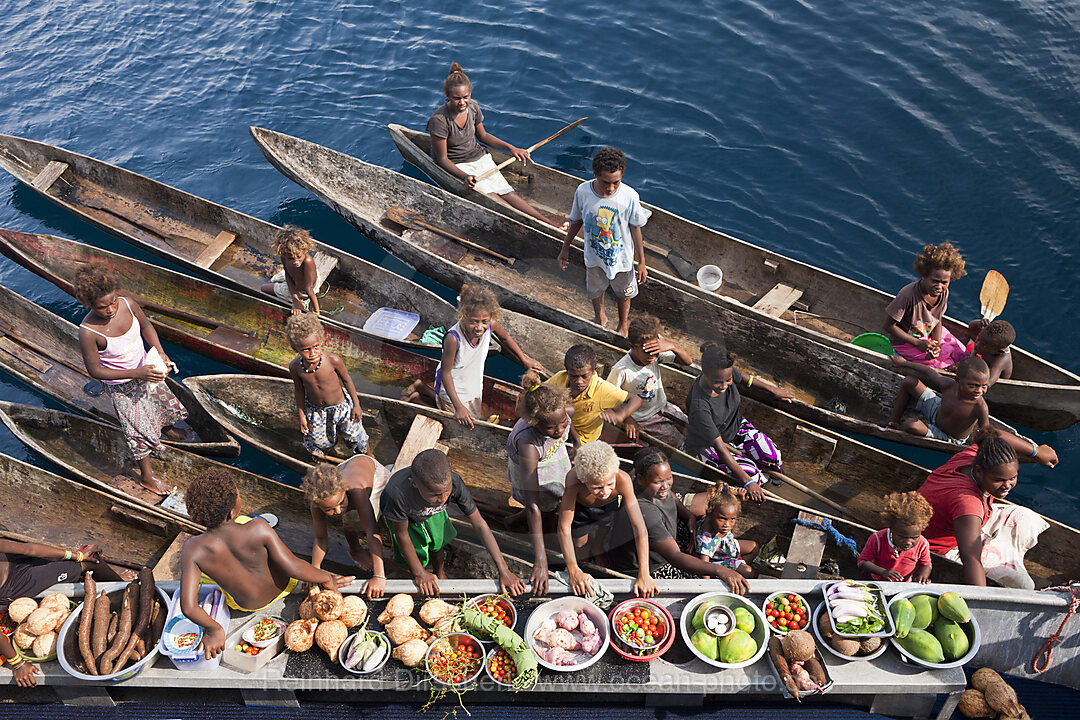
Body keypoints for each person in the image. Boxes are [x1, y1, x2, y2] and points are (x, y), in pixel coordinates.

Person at [180, 469, 354, 659]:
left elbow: (188, 607)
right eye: (237, 493)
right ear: (232, 511)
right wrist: (326, 578)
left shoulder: (191, 549)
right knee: (247, 523)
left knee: (204, 566)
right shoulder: (258, 527)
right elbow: (293, 566)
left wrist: (214, 630)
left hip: (247, 606)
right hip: (284, 588)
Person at [75, 263, 187, 496]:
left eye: (113, 301)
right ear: (89, 305)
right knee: (134, 429)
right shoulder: (89, 332)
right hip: (121, 385)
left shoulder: (128, 304)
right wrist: (136, 374)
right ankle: (147, 477)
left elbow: (146, 325)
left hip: (146, 369)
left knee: (158, 402)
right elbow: (95, 371)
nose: (111, 309)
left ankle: (166, 428)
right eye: (102, 307)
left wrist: (160, 351)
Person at [428, 62, 563, 228]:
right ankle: (527, 223)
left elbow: (483, 136)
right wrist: (464, 176)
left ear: (470, 94)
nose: (462, 102)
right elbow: (441, 159)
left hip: (478, 157)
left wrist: (511, 148)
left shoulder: (474, 108)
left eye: (466, 97)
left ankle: (546, 222)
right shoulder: (439, 121)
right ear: (448, 97)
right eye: (457, 98)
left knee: (507, 191)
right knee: (491, 195)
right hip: (458, 164)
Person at [919, 430, 1056, 588]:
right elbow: (971, 559)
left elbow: (993, 435)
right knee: (1023, 584)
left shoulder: (978, 455)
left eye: (1013, 478)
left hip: (966, 521)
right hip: (941, 549)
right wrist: (982, 599)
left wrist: (1036, 452)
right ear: (979, 471)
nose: (1007, 486)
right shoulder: (967, 502)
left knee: (1027, 517)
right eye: (998, 480)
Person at [380, 449, 526, 597]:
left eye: (446, 491)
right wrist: (420, 573)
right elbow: (402, 534)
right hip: (405, 521)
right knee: (417, 554)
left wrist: (504, 570)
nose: (443, 499)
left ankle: (440, 573)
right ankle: (419, 575)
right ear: (415, 484)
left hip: (431, 512)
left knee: (439, 542)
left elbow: (479, 523)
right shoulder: (397, 494)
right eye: (435, 494)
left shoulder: (454, 484)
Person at [604, 449, 749, 593]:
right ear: (640, 478)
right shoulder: (644, 510)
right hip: (655, 564)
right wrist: (720, 570)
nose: (666, 486)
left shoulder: (642, 480)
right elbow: (674, 557)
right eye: (658, 482)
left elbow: (672, 496)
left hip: (668, 539)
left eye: (669, 478)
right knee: (700, 581)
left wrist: (689, 516)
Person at [1, 540, 135, 687]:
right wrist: (17, 663)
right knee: (91, 563)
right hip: (14, 586)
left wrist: (77, 555)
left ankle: (117, 583)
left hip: (14, 562)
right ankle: (114, 583)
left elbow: (29, 549)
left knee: (90, 558)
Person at [407, 284, 543, 427]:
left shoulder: (491, 324)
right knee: (454, 419)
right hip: (453, 388)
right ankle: (417, 400)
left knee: (471, 414)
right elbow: (446, 374)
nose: (479, 327)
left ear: (490, 317)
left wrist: (524, 359)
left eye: (484, 321)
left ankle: (421, 387)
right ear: (464, 315)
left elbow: (505, 339)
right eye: (473, 321)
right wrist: (459, 407)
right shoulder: (453, 339)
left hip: (473, 383)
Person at [557, 146, 649, 337]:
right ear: (595, 174)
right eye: (605, 182)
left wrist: (641, 261)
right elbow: (576, 220)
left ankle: (623, 325)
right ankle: (600, 317)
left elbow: (635, 228)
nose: (610, 188)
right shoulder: (583, 192)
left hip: (622, 260)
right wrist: (564, 249)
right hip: (594, 257)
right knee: (595, 290)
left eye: (616, 182)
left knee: (624, 294)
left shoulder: (629, 196)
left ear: (622, 175)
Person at [683, 341, 791, 503]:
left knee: (773, 456)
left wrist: (773, 390)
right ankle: (761, 482)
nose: (724, 386)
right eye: (718, 382)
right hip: (708, 445)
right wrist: (748, 482)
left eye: (728, 380)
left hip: (736, 428)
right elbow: (720, 448)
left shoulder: (725, 371)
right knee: (752, 474)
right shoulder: (700, 406)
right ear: (705, 373)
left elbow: (747, 380)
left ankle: (765, 475)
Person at [556, 441, 658, 598]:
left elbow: (639, 527)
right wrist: (573, 569)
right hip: (581, 510)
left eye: (610, 484)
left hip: (608, 510)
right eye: (597, 487)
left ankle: (598, 552)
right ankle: (583, 562)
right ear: (584, 480)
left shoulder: (622, 479)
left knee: (602, 533)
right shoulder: (573, 479)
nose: (604, 491)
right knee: (580, 543)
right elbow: (564, 527)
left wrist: (644, 573)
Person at [504, 371, 575, 594]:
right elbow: (533, 502)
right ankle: (515, 523)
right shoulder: (528, 443)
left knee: (554, 503)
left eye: (562, 423)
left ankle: (520, 521)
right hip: (535, 471)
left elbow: (568, 424)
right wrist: (541, 560)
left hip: (554, 459)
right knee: (541, 508)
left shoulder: (562, 413)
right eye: (552, 429)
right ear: (535, 423)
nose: (560, 430)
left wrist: (578, 443)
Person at [883, 242, 983, 368]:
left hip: (928, 333)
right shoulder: (907, 295)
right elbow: (888, 326)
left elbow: (937, 319)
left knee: (959, 352)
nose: (939, 287)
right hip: (905, 341)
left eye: (944, 282)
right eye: (934, 281)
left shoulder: (943, 293)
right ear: (924, 276)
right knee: (943, 365)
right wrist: (917, 343)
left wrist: (936, 345)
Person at [302, 459, 390, 599]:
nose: (337, 510)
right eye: (329, 509)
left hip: (374, 476)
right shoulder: (318, 502)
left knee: (377, 515)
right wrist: (315, 571)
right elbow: (320, 537)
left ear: (344, 490)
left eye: (341, 503)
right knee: (349, 517)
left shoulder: (356, 490)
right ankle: (355, 549)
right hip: (347, 470)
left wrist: (379, 575)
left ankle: (389, 469)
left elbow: (371, 531)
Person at [286, 313, 367, 458]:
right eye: (306, 349)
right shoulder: (295, 367)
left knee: (356, 436)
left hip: (341, 408)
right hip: (317, 411)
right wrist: (301, 415)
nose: (312, 353)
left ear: (321, 342)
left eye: (315, 346)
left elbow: (347, 380)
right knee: (320, 442)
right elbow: (299, 390)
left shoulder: (332, 360)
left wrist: (356, 404)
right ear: (296, 348)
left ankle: (369, 456)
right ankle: (327, 455)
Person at [607, 315, 693, 447]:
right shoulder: (621, 369)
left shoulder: (655, 354)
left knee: (695, 430)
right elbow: (609, 397)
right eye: (647, 352)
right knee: (678, 443)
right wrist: (627, 419)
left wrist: (672, 346)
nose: (652, 357)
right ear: (632, 346)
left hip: (663, 407)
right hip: (643, 418)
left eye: (656, 352)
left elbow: (688, 362)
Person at [546, 344, 641, 444]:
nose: (579, 381)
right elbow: (541, 392)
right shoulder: (560, 378)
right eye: (574, 376)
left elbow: (635, 399)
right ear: (567, 370)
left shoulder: (602, 388)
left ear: (594, 370)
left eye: (584, 376)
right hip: (560, 429)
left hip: (583, 439)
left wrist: (622, 416)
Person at [887, 354, 993, 445]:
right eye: (973, 385)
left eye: (984, 386)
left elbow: (985, 432)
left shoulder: (980, 406)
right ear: (958, 380)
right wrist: (904, 363)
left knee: (911, 425)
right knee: (909, 382)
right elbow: (928, 371)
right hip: (937, 412)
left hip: (949, 437)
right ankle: (892, 422)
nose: (979, 391)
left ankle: (899, 428)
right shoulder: (949, 385)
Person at [857, 491, 933, 583]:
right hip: (877, 581)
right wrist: (883, 572)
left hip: (904, 584)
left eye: (914, 537)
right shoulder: (877, 539)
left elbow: (926, 564)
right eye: (902, 536)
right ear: (891, 529)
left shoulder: (922, 543)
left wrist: (923, 577)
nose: (908, 542)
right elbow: (862, 562)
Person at [691, 483, 757, 580]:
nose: (727, 524)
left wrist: (739, 499)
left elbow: (729, 506)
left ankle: (737, 567)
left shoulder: (715, 515)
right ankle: (733, 572)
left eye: (732, 519)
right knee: (749, 572)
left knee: (754, 547)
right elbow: (704, 567)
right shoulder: (707, 540)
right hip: (717, 561)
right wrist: (708, 587)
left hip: (725, 547)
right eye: (722, 519)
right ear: (710, 514)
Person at [259, 225, 321, 316]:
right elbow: (288, 276)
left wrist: (316, 312)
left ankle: (303, 302)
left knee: (264, 287)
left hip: (305, 291)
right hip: (295, 281)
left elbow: (309, 289)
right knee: (271, 281)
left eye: (299, 257)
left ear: (304, 250)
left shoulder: (308, 262)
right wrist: (294, 299)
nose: (296, 261)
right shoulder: (284, 256)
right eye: (291, 258)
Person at [955, 319, 1015, 386]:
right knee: (964, 338)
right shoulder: (987, 334)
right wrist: (979, 323)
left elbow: (987, 384)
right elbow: (971, 327)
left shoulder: (1001, 360)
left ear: (998, 351)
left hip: (984, 374)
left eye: (983, 344)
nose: (977, 344)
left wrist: (963, 367)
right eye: (978, 337)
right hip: (978, 361)